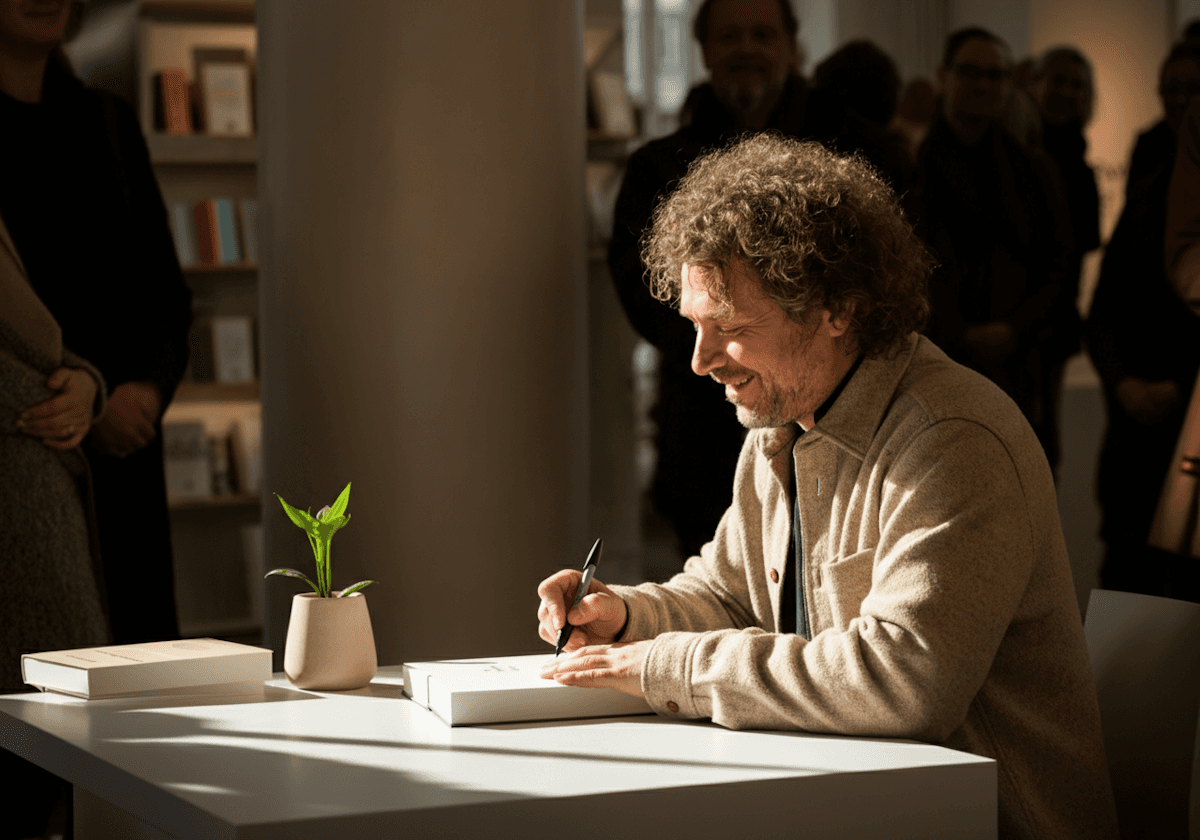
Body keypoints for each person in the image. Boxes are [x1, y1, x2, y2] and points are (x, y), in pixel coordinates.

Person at [540, 134, 1119, 840]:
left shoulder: (952, 440)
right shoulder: (777, 428)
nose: (699, 361)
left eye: (730, 329)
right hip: (867, 809)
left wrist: (665, 663)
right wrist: (625, 617)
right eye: (695, 326)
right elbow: (728, 595)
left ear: (835, 309)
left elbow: (904, 682)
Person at [608, 0, 909, 561]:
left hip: (846, 420)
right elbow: (642, 293)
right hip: (705, 434)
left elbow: (889, 282)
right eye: (729, 37)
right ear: (703, 51)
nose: (745, 48)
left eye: (762, 34)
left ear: (791, 46)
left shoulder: (865, 152)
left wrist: (795, 358)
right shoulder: (657, 168)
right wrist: (737, 350)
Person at [0, 0, 192, 645]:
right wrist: (85, 389)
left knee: (145, 677)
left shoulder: (107, 123)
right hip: (33, 444)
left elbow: (167, 291)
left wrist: (145, 392)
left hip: (128, 452)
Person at [912, 27, 1073, 473]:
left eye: (995, 75)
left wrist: (1015, 329)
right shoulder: (911, 169)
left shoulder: (1033, 172)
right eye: (970, 72)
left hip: (1020, 365)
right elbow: (905, 270)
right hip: (935, 366)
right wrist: (959, 333)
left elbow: (1058, 263)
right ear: (944, 76)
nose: (983, 84)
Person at [1087, 42, 1200, 599]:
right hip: (1135, 430)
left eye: (1192, 90)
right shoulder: (1150, 183)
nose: (1180, 103)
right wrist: (1124, 382)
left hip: (1192, 416)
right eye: (1171, 90)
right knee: (1129, 580)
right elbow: (1105, 308)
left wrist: (1181, 387)